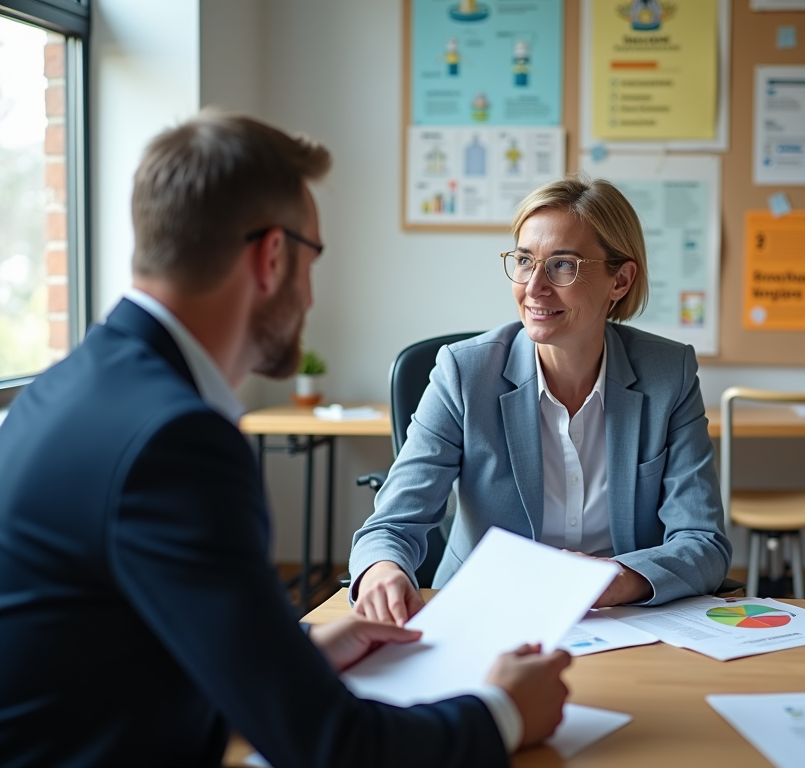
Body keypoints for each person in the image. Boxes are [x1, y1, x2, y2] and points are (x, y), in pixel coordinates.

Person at [0, 111, 570, 768]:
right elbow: (332, 748)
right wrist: (502, 711)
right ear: (273, 257)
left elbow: (121, 642)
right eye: (313, 257)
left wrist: (294, 653)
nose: (310, 294)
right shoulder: (176, 440)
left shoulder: (72, 386)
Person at [350, 173, 732, 627]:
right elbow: (392, 525)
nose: (534, 287)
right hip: (483, 614)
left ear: (620, 280)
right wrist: (382, 571)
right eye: (525, 260)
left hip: (622, 620)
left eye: (563, 265)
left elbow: (703, 541)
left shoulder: (668, 374)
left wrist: (620, 578)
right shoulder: (463, 372)